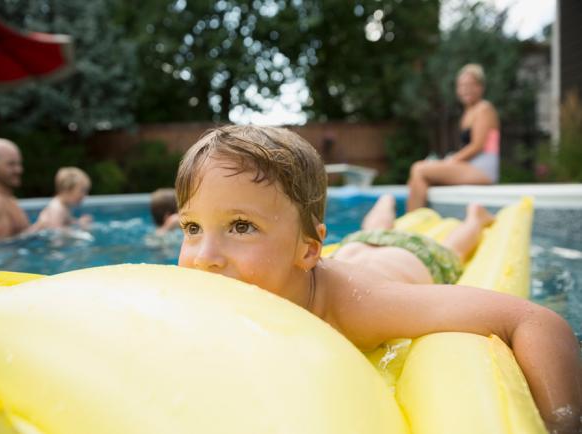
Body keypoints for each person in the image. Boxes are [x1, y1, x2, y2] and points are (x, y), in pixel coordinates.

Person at [174, 125, 580, 434]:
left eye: (241, 226)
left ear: (308, 249)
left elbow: (537, 320)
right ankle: (383, 207)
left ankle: (472, 220)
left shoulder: (359, 308)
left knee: (451, 247)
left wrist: (563, 424)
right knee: (371, 229)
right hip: (351, 246)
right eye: (191, 228)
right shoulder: (240, 277)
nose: (204, 258)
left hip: (409, 258)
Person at [406, 64, 501, 211]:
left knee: (418, 168)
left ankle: (412, 223)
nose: (466, 89)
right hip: (469, 166)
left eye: (470, 85)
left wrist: (451, 161)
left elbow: (477, 146)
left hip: (482, 170)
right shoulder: (468, 112)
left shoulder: (484, 108)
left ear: (481, 87)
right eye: (462, 86)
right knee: (417, 178)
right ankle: (418, 221)